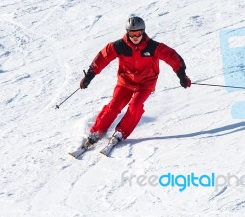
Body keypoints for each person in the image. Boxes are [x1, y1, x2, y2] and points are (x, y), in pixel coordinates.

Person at [79, 16, 191, 147]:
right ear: (127, 32)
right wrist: (89, 76)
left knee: (135, 106)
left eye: (138, 33)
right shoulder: (119, 46)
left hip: (145, 84)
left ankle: (121, 132)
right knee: (114, 105)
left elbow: (172, 56)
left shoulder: (153, 47)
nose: (135, 36)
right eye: (132, 33)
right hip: (125, 82)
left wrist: (182, 75)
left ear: (143, 32)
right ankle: (97, 131)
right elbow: (102, 58)